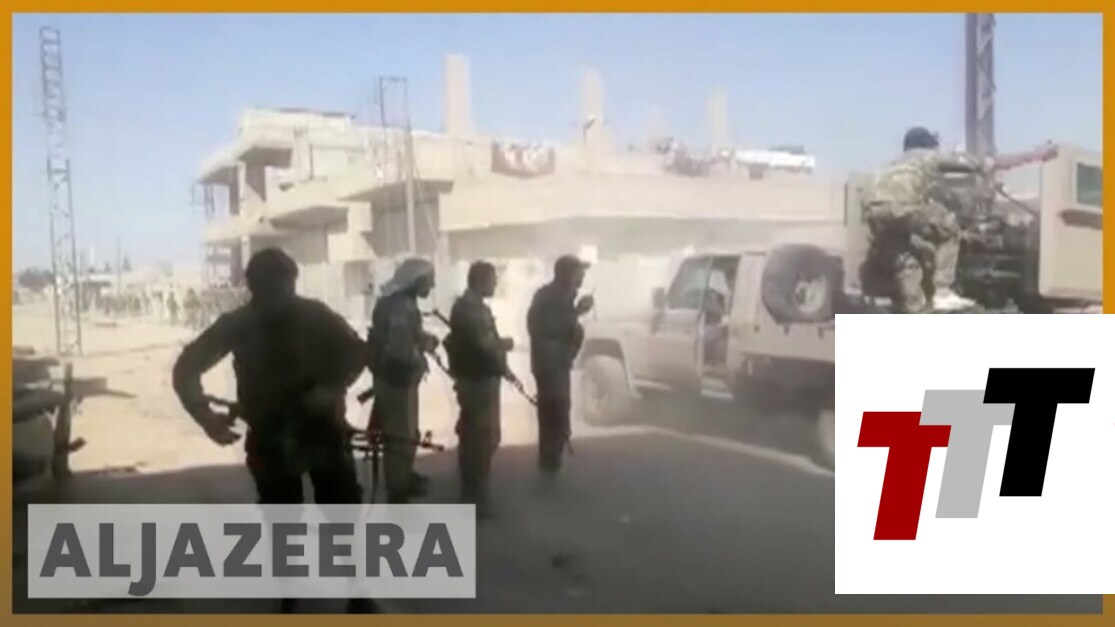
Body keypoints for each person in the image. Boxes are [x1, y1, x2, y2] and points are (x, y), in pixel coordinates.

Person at [171, 248, 376, 614]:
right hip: (270, 435)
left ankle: (357, 590)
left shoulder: (314, 314)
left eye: (283, 287)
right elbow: (186, 368)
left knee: (342, 511)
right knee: (282, 517)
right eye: (270, 289)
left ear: (292, 283)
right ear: (254, 289)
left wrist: (331, 388)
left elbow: (357, 353)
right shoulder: (238, 324)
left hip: (321, 429)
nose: (279, 297)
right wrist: (206, 417)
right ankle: (290, 589)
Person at [863, 127, 1058, 313]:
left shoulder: (891, 164)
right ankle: (943, 291)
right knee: (949, 227)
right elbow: (984, 163)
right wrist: (1034, 155)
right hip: (903, 206)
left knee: (905, 261)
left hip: (873, 211)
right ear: (926, 145)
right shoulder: (927, 156)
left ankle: (914, 308)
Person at [445, 261, 515, 518]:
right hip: (477, 380)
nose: (495, 284)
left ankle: (474, 494)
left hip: (480, 378)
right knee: (480, 440)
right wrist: (502, 350)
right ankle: (475, 498)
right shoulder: (470, 309)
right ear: (481, 280)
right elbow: (483, 346)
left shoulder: (473, 307)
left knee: (479, 437)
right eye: (492, 279)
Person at [367, 257, 439, 504]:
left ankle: (402, 476)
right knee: (401, 434)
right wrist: (421, 351)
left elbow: (402, 336)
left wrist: (423, 340)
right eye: (428, 281)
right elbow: (399, 350)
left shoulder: (396, 303)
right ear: (415, 281)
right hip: (398, 380)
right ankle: (398, 487)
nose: (431, 286)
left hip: (394, 379)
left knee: (404, 432)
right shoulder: (402, 307)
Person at [527, 255, 594, 477]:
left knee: (556, 410)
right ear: (568, 274)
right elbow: (545, 328)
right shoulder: (549, 297)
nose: (582, 277)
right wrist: (576, 312)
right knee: (554, 410)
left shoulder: (561, 296)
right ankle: (549, 460)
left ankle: (551, 458)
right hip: (550, 364)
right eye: (579, 272)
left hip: (557, 363)